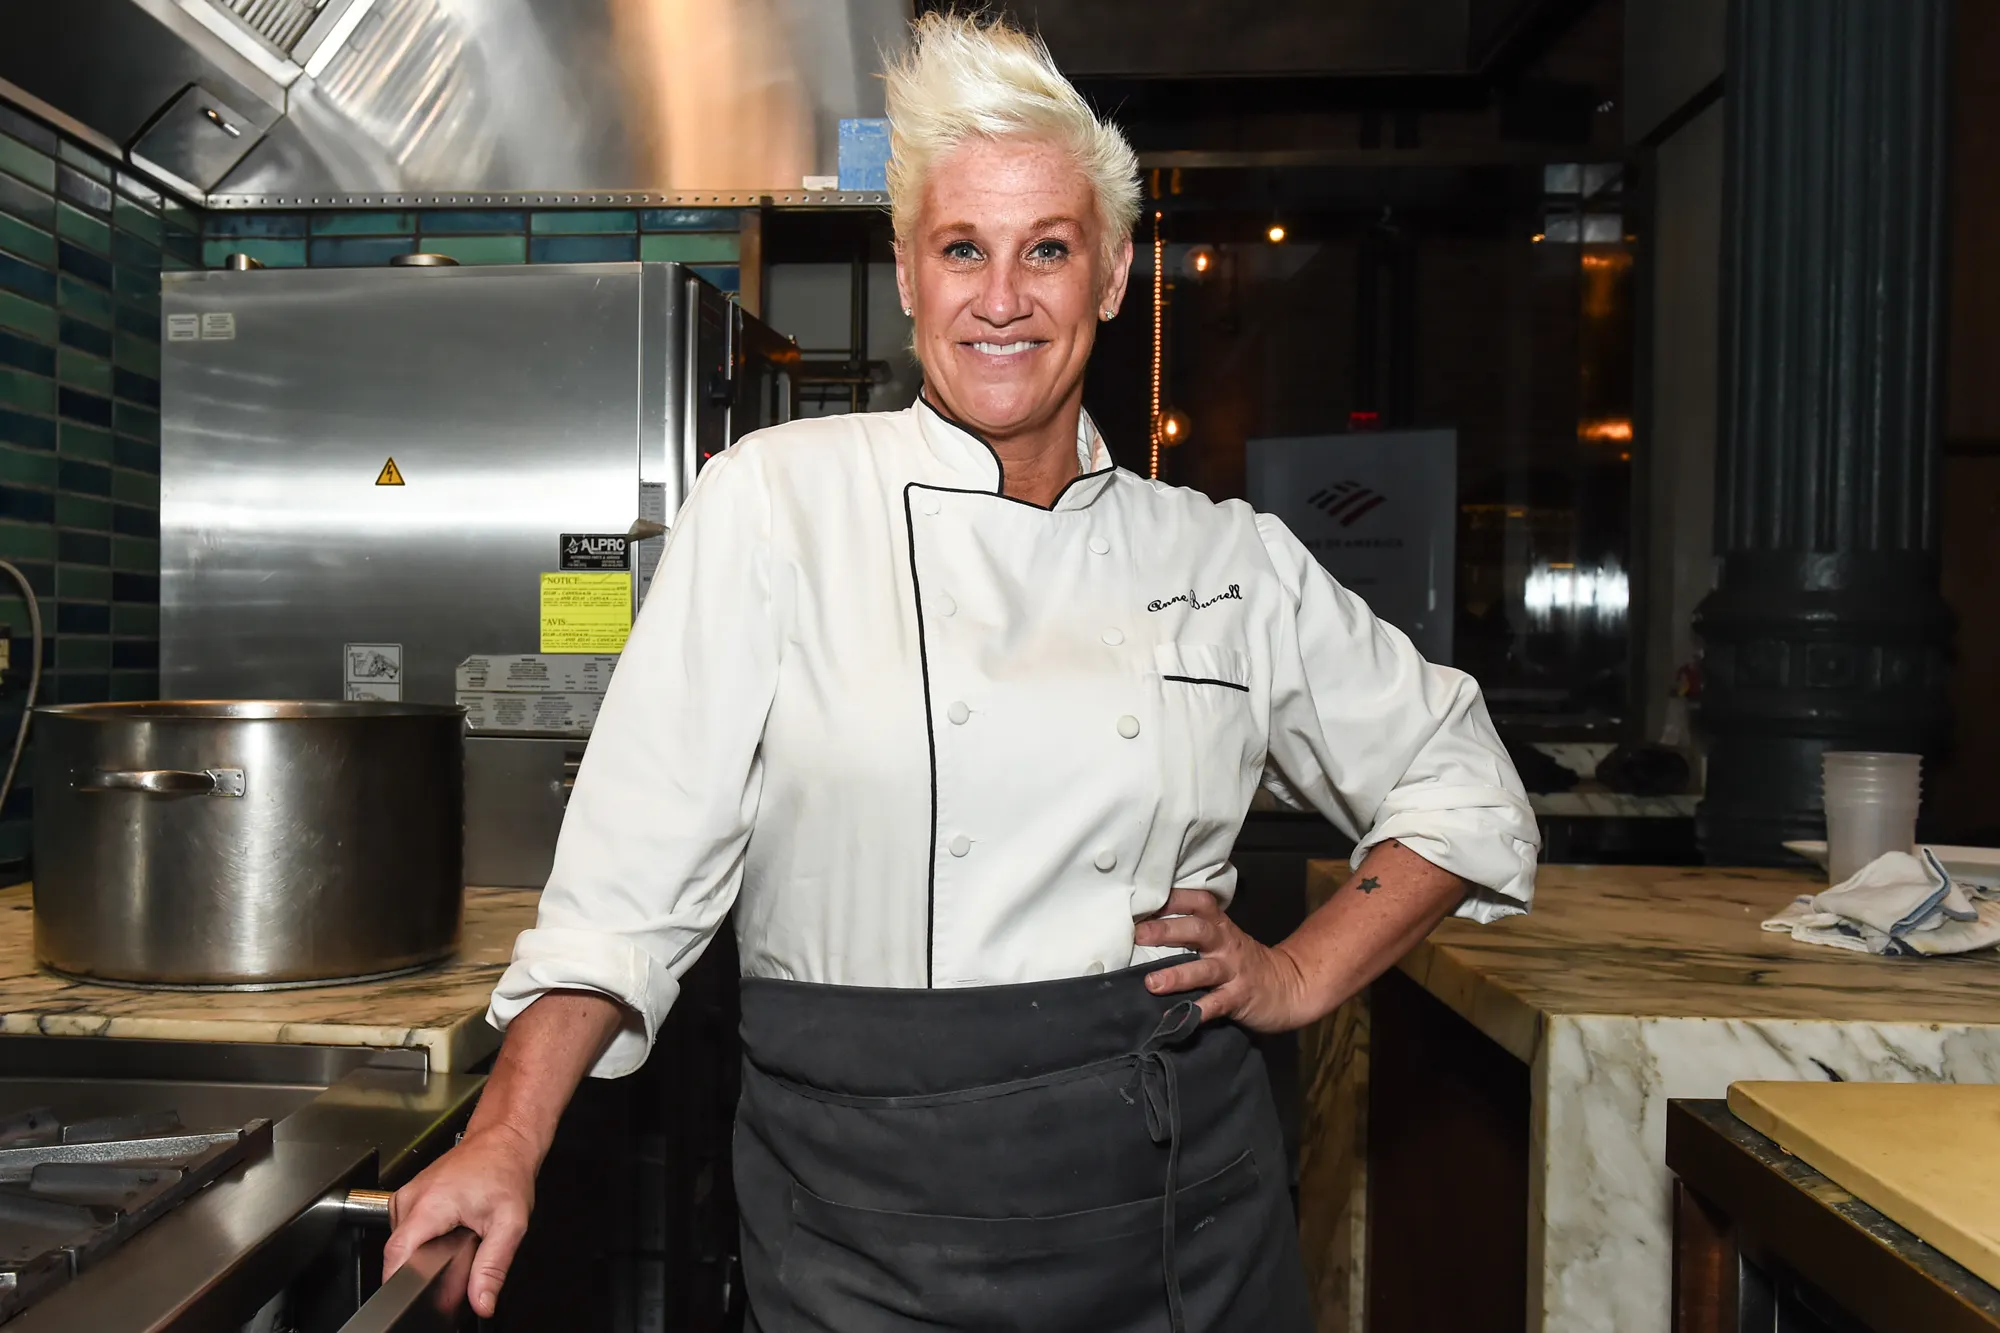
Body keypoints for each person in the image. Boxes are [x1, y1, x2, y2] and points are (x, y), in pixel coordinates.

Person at [385, 13, 1538, 1331]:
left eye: (1048, 248)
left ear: (1112, 274)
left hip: (1175, 1212)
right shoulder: (778, 502)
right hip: (858, 1213)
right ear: (909, 275)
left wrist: (1301, 974)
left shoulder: (1223, 556)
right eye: (962, 250)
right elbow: (624, 888)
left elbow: (1461, 775)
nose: (1003, 297)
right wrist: (506, 1136)